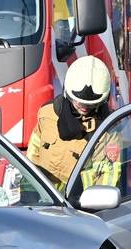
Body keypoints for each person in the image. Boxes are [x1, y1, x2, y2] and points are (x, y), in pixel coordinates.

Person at [25, 55, 113, 190]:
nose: (84, 107)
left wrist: (95, 201)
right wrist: (29, 190)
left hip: (79, 204)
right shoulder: (48, 112)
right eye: (79, 101)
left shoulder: (107, 129)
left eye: (90, 104)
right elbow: (33, 153)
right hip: (45, 200)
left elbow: (107, 175)